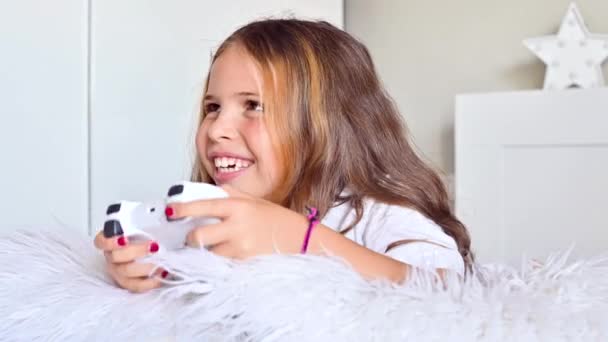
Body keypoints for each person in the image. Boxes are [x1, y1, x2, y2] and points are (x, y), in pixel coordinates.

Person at [94, 19, 473, 293]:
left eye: (253, 105)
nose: (216, 129)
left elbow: (453, 296)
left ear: (329, 124)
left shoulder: (376, 216)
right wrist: (144, 268)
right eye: (212, 107)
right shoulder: (208, 219)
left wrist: (304, 240)